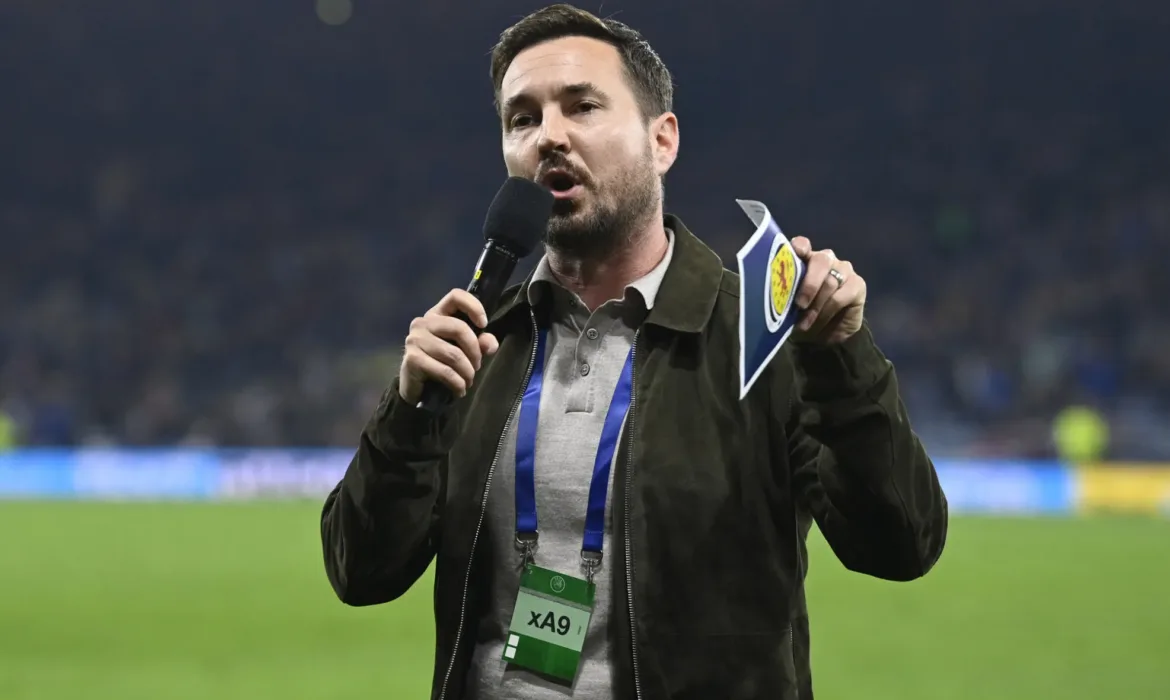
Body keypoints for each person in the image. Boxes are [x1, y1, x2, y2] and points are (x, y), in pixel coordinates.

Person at [320, 5, 948, 699]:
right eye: (521, 119)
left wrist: (841, 359)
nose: (548, 137)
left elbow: (899, 547)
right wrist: (410, 414)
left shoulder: (765, 335)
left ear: (663, 141)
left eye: (582, 106)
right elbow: (361, 572)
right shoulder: (476, 340)